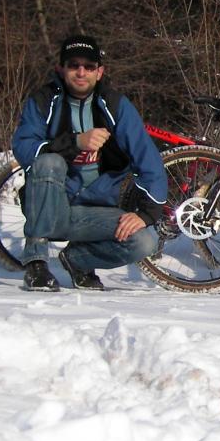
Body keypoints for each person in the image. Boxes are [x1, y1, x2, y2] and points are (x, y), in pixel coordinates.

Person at [11, 34, 168, 292]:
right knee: (49, 162)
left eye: (89, 66)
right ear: (61, 69)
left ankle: (77, 261)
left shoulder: (116, 106)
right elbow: (24, 147)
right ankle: (36, 263)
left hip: (95, 211)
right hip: (51, 206)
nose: (81, 72)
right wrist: (75, 142)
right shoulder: (43, 100)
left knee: (145, 242)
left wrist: (146, 214)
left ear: (100, 72)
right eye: (73, 65)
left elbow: (148, 160)